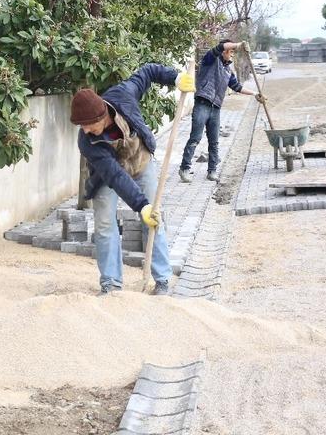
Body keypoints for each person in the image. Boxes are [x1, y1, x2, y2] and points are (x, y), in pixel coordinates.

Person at [70, 64, 195, 296]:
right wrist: (141, 204)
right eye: (81, 127)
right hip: (107, 176)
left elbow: (147, 72)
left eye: (89, 126)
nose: (85, 131)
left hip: (140, 161)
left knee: (154, 219)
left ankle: (162, 279)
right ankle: (111, 284)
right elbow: (115, 176)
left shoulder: (122, 95)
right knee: (105, 224)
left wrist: (175, 78)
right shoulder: (86, 141)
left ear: (103, 115)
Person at [179, 40, 267, 183]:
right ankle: (185, 169)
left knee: (214, 142)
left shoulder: (227, 71)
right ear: (224, 51)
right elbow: (219, 47)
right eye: (231, 51)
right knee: (195, 138)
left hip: (216, 108)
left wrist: (255, 94)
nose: (232, 54)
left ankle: (212, 171)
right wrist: (238, 44)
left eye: (233, 51)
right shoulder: (210, 60)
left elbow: (237, 86)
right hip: (202, 104)